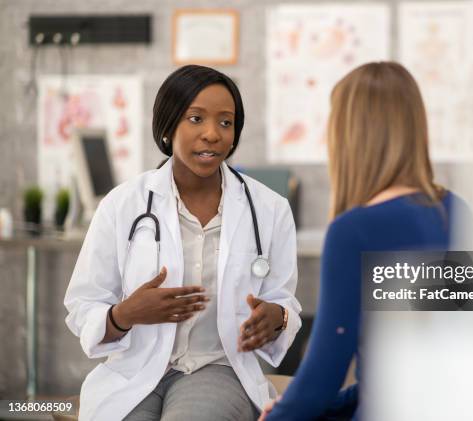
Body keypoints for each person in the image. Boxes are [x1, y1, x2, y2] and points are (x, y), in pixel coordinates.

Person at [64, 65, 302, 421]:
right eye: (195, 119)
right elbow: (84, 304)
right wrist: (124, 314)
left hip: (218, 368)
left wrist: (278, 317)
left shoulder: (270, 209)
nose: (212, 134)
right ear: (168, 125)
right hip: (132, 371)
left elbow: (285, 303)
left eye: (225, 122)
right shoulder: (122, 204)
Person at [260, 62, 473, 421]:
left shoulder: (354, 230)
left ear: (349, 137)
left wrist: (281, 414)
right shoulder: (457, 211)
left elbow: (321, 378)